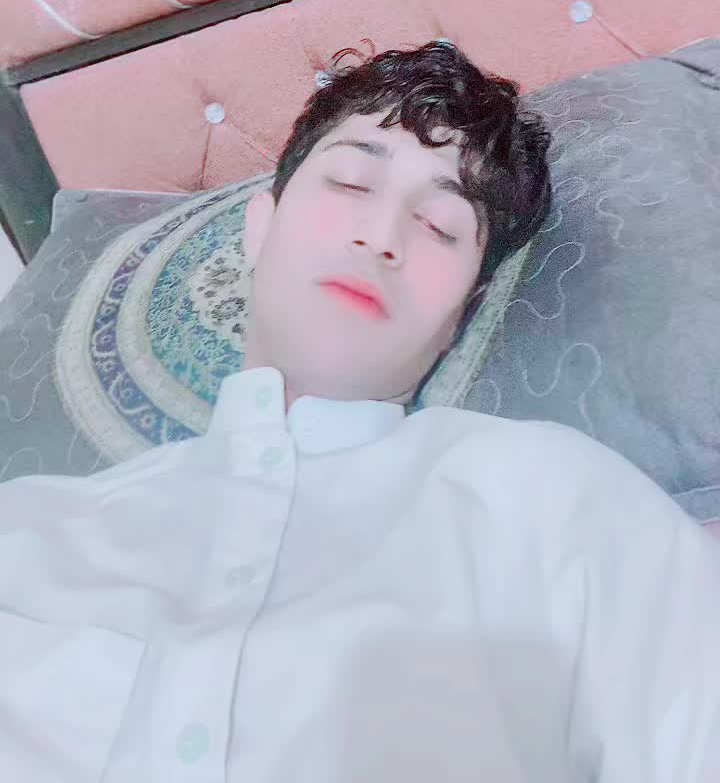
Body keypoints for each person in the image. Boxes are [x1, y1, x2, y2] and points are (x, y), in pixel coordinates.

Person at [0, 40, 718, 782]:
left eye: (440, 226)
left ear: (463, 312)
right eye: (350, 182)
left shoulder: (558, 505)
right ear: (258, 229)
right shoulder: (28, 534)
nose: (380, 238)